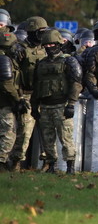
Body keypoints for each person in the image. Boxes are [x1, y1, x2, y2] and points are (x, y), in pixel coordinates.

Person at [30, 29, 82, 174]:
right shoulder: (41, 64)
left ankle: (70, 167)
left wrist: (71, 104)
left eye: (52, 44)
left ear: (59, 44)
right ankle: (51, 165)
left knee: (66, 138)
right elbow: (37, 85)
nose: (49, 47)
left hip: (62, 105)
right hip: (45, 106)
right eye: (46, 45)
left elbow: (76, 84)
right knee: (47, 140)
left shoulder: (68, 61)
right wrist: (34, 107)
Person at [10, 16, 49, 171]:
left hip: (43, 95)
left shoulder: (47, 48)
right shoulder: (19, 49)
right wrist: (18, 98)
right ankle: (16, 162)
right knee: (24, 131)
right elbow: (14, 75)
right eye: (40, 32)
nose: (43, 35)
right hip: (26, 94)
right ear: (32, 31)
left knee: (47, 131)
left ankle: (48, 162)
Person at [0, 31, 23, 170]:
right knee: (9, 133)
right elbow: (7, 84)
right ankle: (1, 162)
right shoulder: (4, 60)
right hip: (4, 103)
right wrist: (17, 100)